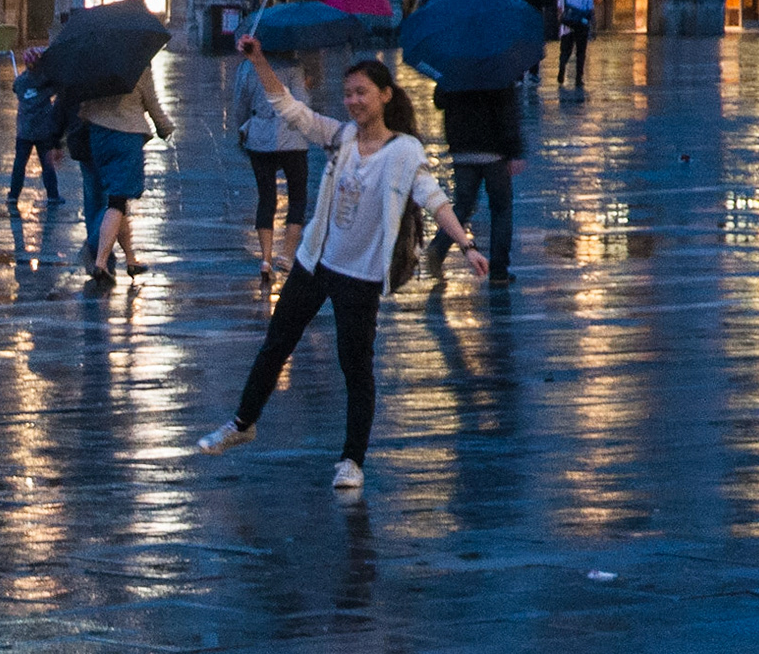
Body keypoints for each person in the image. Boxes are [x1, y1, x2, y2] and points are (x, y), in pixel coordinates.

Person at [197, 37, 486, 491]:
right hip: (317, 261)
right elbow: (291, 110)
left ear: (385, 95)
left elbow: (433, 198)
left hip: (361, 275)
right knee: (276, 344)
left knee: (355, 367)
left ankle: (352, 460)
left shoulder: (404, 151)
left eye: (361, 93)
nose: (352, 101)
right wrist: (258, 60)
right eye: (348, 93)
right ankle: (242, 423)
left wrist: (466, 246)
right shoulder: (342, 137)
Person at [76, 54, 175, 283]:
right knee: (117, 202)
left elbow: (81, 102)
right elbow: (151, 102)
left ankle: (131, 259)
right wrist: (165, 128)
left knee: (118, 201)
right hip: (126, 137)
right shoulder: (137, 65)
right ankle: (100, 261)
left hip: (98, 135)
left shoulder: (95, 65)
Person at [423, 84, 523, 283]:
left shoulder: (454, 67)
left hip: (462, 148)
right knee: (501, 208)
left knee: (463, 206)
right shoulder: (497, 69)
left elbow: (440, 101)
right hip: (494, 150)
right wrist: (515, 151)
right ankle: (499, 270)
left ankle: (438, 247)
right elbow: (508, 113)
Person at [233, 47, 310, 281]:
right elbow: (302, 102)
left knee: (266, 197)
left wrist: (243, 129)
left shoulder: (247, 66)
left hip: (259, 137)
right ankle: (286, 256)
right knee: (297, 196)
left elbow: (240, 104)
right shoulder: (294, 66)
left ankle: (266, 259)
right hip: (293, 139)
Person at [9, 48, 64, 207]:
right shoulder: (46, 82)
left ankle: (13, 195)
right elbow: (57, 87)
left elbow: (16, 88)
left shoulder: (20, 82)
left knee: (19, 164)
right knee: (47, 165)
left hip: (24, 130)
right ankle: (53, 195)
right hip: (43, 130)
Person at [506, 0, 552, 84]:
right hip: (533, 22)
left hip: (519, 20)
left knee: (519, 47)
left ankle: (519, 75)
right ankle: (533, 73)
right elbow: (547, 2)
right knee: (533, 47)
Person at [557, 0, 594, 89]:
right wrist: (592, 28)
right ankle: (578, 77)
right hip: (581, 27)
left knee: (565, 51)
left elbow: (560, 10)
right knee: (580, 52)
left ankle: (562, 67)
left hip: (567, 27)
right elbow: (590, 12)